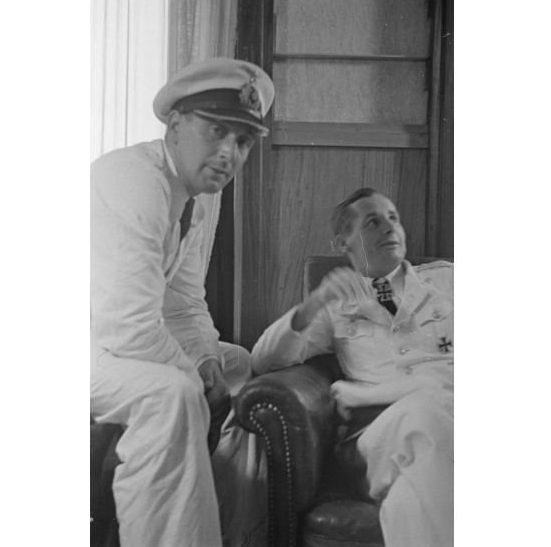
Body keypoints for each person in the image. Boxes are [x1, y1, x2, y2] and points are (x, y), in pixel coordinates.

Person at [91, 58, 274, 547]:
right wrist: (192, 375)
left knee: (238, 365)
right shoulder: (135, 179)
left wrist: (209, 361)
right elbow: (128, 328)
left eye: (242, 142)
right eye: (217, 131)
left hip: (105, 341)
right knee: (169, 394)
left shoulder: (201, 192)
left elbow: (185, 301)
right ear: (174, 126)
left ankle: (232, 534)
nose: (227, 154)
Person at [252, 187, 453, 547]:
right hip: (377, 435)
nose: (389, 228)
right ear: (342, 241)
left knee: (412, 495)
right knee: (427, 411)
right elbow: (264, 360)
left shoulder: (449, 280)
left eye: (393, 218)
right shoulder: (333, 304)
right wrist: (313, 303)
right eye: (372, 222)